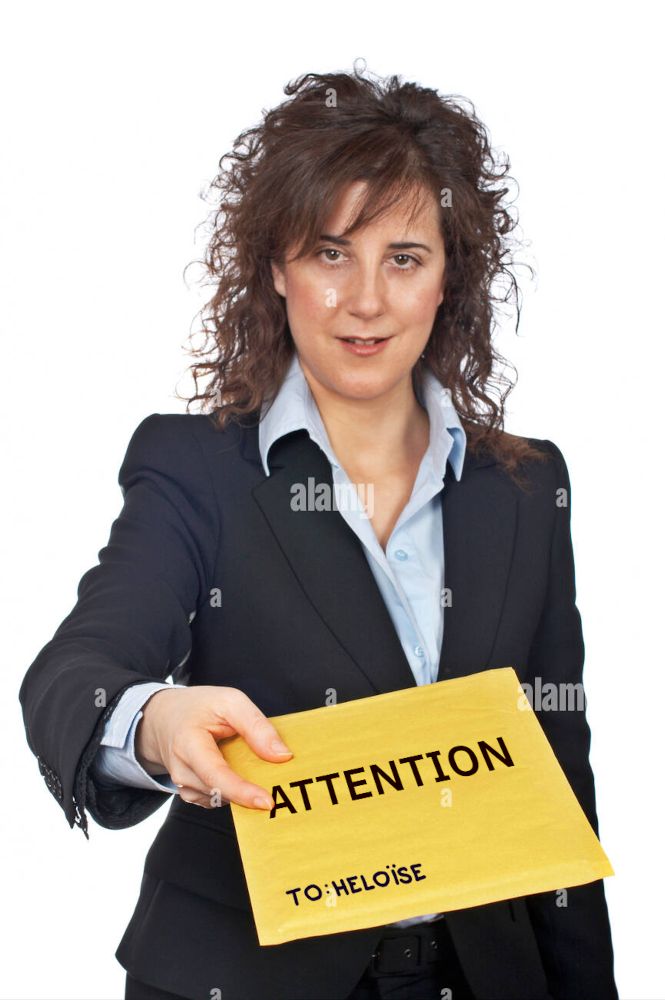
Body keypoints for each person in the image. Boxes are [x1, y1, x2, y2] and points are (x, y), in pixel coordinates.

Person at [18, 64, 618, 1000]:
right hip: (245, 973)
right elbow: (75, 670)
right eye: (330, 254)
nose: (365, 300)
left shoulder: (527, 486)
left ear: (447, 277)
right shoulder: (196, 469)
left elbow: (556, 777)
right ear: (276, 267)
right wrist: (156, 722)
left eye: (403, 258)